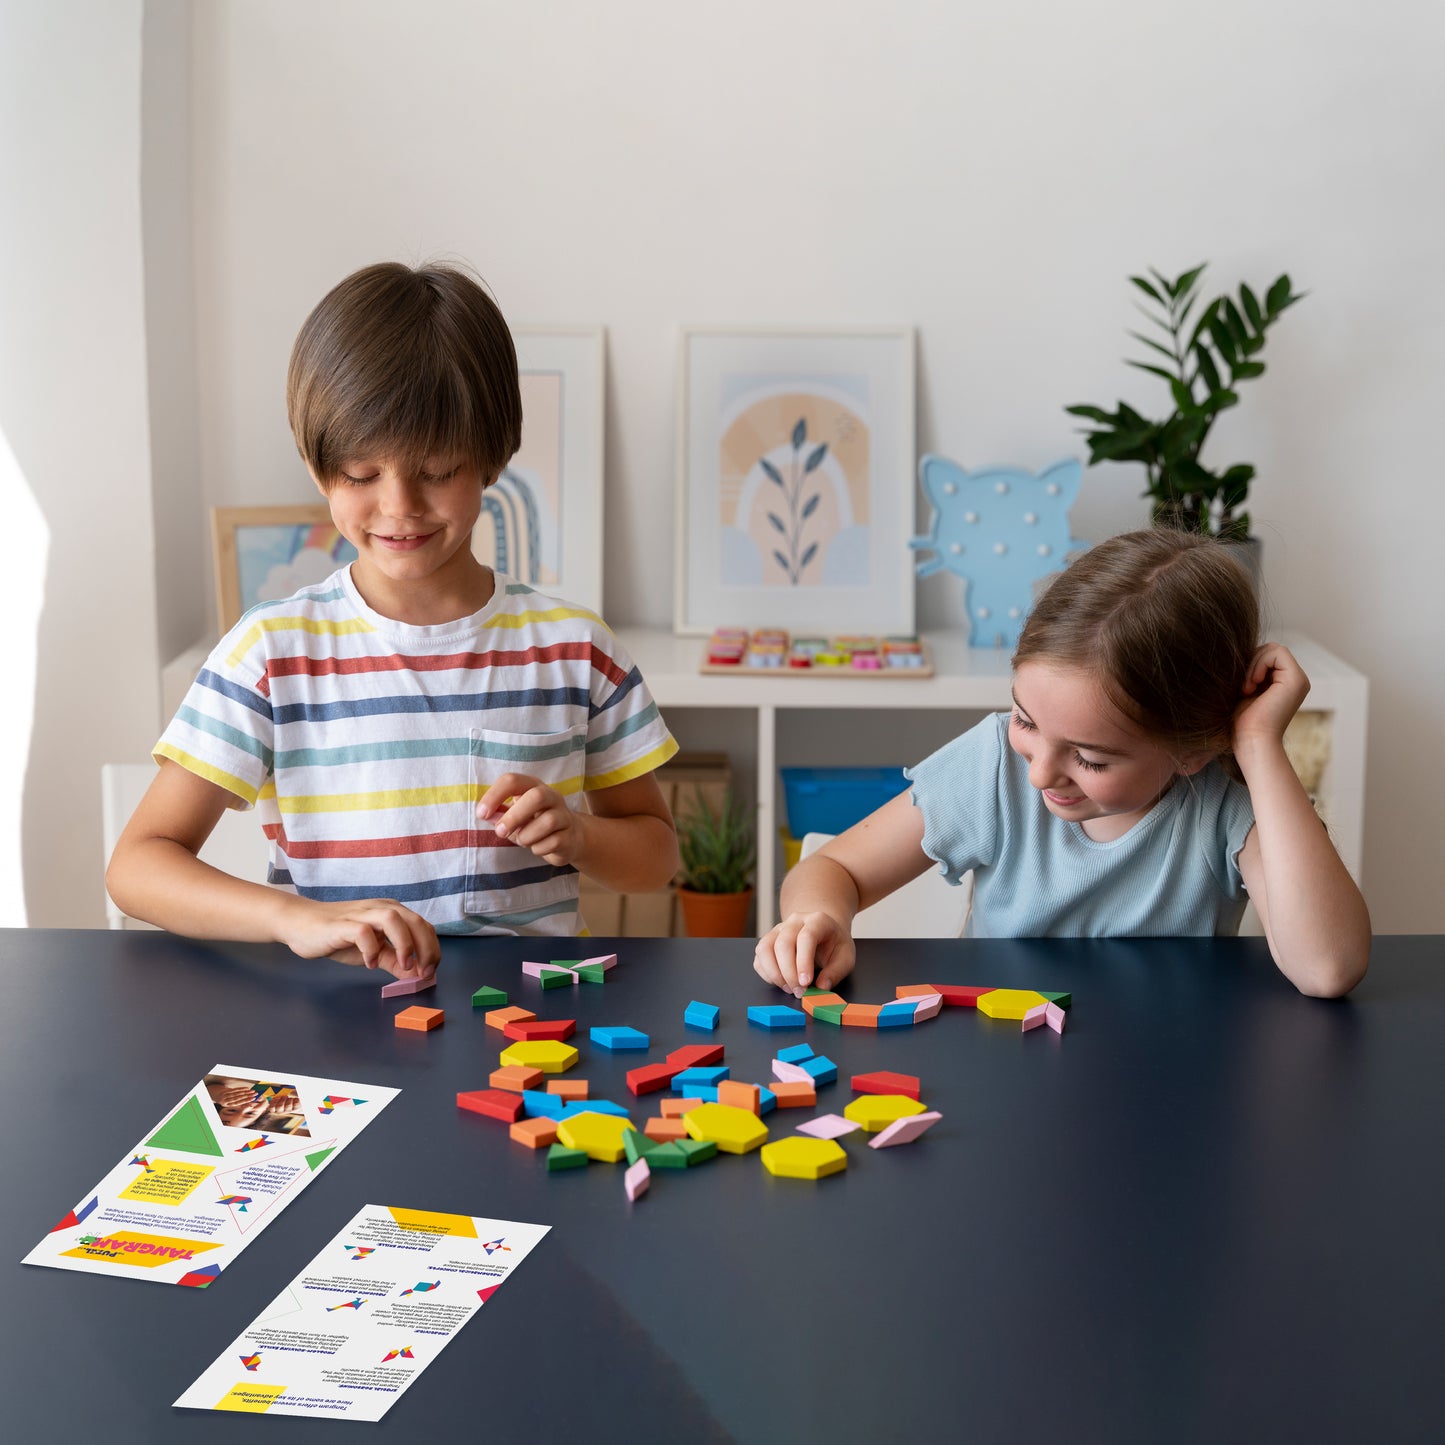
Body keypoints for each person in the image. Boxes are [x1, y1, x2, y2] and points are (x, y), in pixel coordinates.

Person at [108, 261, 680, 979]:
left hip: (531, 1033)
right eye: (359, 473)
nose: (399, 505)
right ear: (320, 469)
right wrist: (295, 919)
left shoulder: (575, 649)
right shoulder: (272, 652)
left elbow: (655, 856)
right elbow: (137, 864)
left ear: (493, 456)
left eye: (437, 470)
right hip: (337, 1023)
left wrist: (581, 836)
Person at [755, 529, 1370, 1000]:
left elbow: (1327, 966)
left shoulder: (1224, 803)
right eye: (1026, 720)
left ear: (1193, 750)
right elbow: (836, 868)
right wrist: (818, 918)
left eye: (1090, 758)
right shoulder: (994, 763)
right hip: (1001, 1077)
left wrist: (1258, 741)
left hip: (1166, 1087)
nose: (1041, 773)